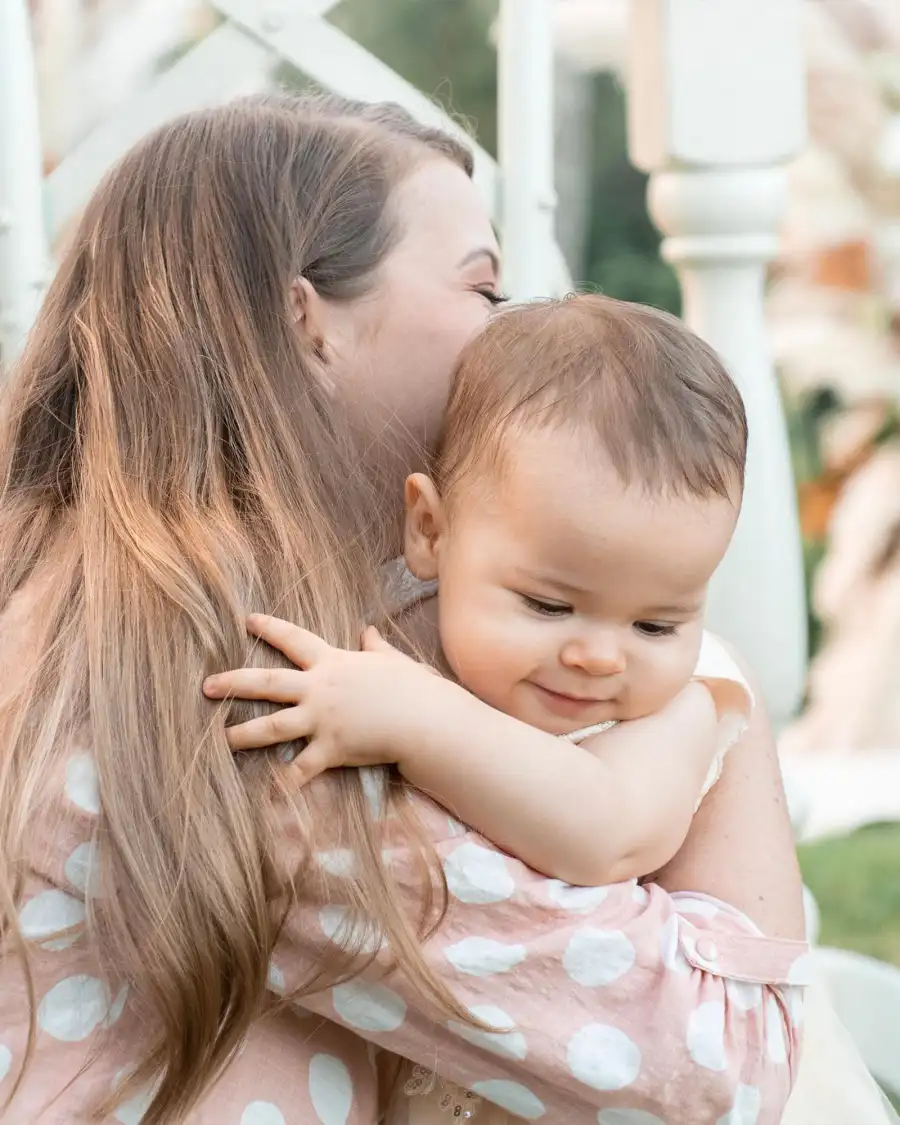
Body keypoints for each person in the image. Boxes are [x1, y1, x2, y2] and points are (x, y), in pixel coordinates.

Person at [0, 93, 807, 1125]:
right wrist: (716, 711)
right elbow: (715, 1069)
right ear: (309, 326)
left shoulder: (97, 600)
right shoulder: (218, 675)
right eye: (485, 288)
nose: (507, 332)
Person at [207, 295, 896, 1125]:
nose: (601, 655)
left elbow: (605, 829)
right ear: (429, 530)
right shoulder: (408, 641)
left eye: (657, 623)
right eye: (548, 604)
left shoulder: (682, 708)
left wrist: (416, 719)